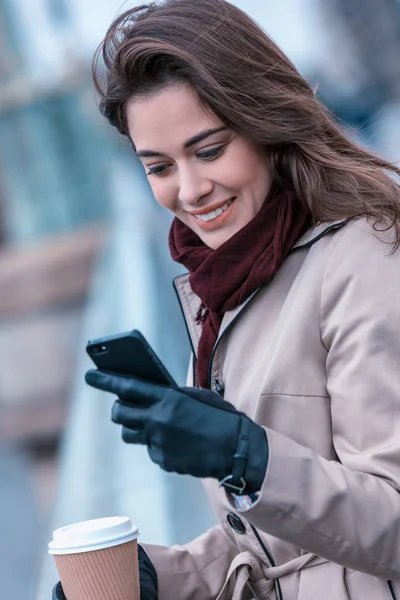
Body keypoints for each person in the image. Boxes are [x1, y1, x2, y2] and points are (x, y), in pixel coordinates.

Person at [53, 0, 400, 598]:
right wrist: (157, 579)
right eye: (158, 167)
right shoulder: (218, 289)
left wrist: (248, 457)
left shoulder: (366, 259)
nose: (189, 191)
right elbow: (276, 551)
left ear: (265, 123)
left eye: (209, 150)